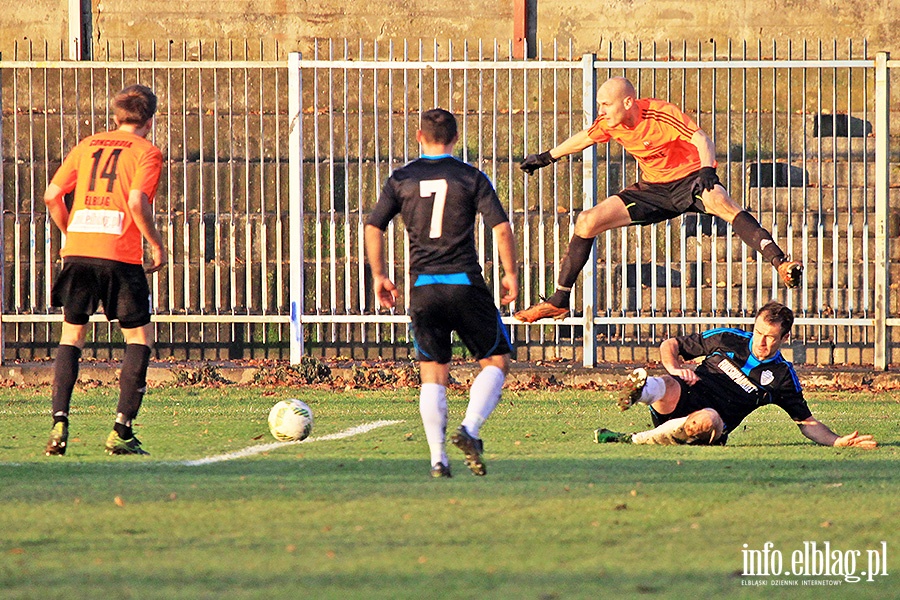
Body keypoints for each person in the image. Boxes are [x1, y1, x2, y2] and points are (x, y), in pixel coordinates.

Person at [514, 76, 803, 322]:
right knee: (587, 221)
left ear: (627, 102)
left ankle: (779, 262)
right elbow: (584, 138)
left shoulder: (660, 114)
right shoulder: (610, 122)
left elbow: (701, 138)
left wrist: (706, 168)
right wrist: (545, 157)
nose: (600, 110)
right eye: (599, 104)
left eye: (605, 104)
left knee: (721, 203)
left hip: (690, 179)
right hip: (653, 189)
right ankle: (559, 300)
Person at [364, 108, 518, 478]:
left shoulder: (401, 179)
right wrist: (510, 272)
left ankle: (437, 459)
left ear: (420, 136)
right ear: (455, 138)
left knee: (433, 374)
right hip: (464, 284)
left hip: (423, 288)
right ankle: (470, 428)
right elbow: (500, 228)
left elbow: (373, 226)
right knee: (495, 362)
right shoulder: (471, 177)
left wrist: (380, 275)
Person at [43, 84, 166, 456]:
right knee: (139, 340)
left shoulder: (88, 144)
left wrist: (70, 232)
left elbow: (52, 195)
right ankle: (121, 430)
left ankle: (59, 424)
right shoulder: (148, 152)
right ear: (149, 120)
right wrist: (156, 243)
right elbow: (135, 201)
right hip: (120, 255)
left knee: (72, 336)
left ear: (115, 117)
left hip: (78, 251)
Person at [594, 301, 877, 449]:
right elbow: (671, 345)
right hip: (683, 397)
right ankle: (641, 390)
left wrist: (837, 440)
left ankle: (629, 439)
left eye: (771, 337)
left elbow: (806, 422)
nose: (761, 342)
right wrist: (675, 368)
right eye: (758, 333)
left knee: (707, 419)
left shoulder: (781, 376)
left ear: (785, 338)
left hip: (714, 422)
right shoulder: (727, 338)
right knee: (668, 383)